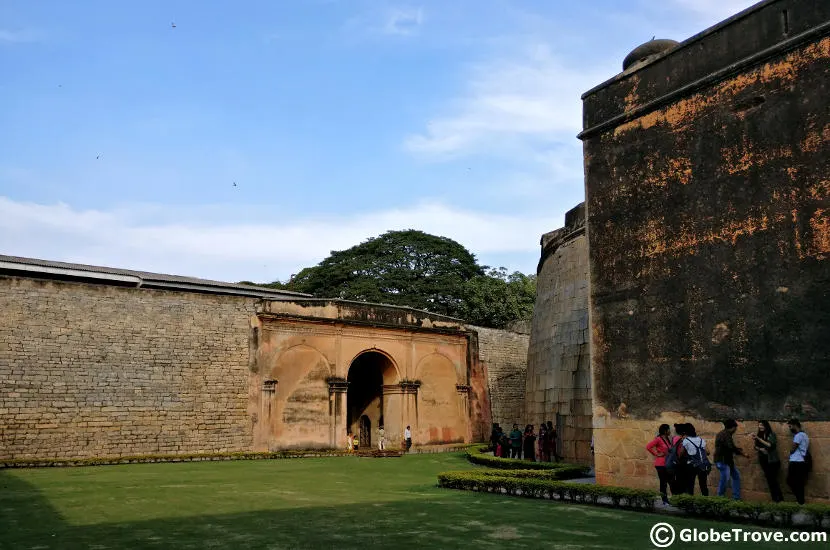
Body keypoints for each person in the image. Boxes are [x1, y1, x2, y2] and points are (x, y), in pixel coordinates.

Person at [714, 419, 745, 500]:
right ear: (732, 427)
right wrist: (742, 453)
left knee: (735, 476)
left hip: (726, 461)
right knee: (725, 479)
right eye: (735, 428)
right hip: (723, 461)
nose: (736, 430)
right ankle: (720, 498)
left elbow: (729, 447)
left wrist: (738, 450)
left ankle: (736, 498)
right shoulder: (726, 434)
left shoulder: (722, 433)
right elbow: (730, 447)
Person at [751, 420, 782, 502]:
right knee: (770, 480)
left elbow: (770, 445)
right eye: (759, 425)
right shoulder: (759, 434)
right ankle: (776, 500)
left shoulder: (771, 434)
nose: (760, 426)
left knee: (773, 480)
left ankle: (778, 499)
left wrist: (759, 439)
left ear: (766, 426)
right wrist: (760, 448)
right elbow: (755, 447)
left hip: (772, 460)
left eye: (761, 425)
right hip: (763, 460)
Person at [646, 424, 676, 504]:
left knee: (672, 482)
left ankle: (675, 499)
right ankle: (665, 500)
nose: (670, 431)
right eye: (669, 429)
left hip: (668, 464)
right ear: (665, 431)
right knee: (663, 483)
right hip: (661, 464)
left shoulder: (667, 439)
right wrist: (656, 454)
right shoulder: (658, 439)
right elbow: (648, 446)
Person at [681, 423, 710, 496]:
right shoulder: (701, 440)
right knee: (703, 485)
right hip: (703, 465)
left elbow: (681, 453)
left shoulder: (686, 440)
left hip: (692, 465)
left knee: (690, 484)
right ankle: (706, 500)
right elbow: (708, 452)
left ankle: (690, 503)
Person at [786, 418, 810, 504]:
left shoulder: (798, 435)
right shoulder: (805, 435)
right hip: (801, 461)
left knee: (790, 481)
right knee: (799, 482)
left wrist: (789, 452)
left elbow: (793, 448)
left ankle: (800, 500)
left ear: (795, 425)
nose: (790, 428)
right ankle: (800, 501)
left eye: (790, 426)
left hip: (796, 461)